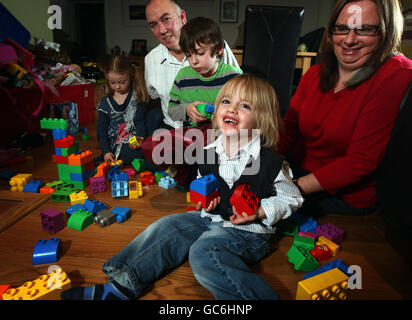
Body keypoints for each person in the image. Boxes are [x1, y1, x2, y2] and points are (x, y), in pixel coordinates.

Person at [61, 73, 303, 300]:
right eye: (226, 101)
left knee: (203, 251)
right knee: (168, 225)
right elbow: (205, 185)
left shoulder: (270, 162)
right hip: (210, 219)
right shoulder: (208, 152)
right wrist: (205, 200)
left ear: (262, 119)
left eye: (245, 106)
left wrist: (259, 211)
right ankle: (121, 284)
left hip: (249, 232)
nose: (232, 108)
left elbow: (292, 198)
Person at [277, 0, 412, 216]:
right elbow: (289, 130)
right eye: (341, 28)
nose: (349, 40)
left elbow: (360, 161)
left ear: (386, 31)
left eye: (365, 29)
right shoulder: (314, 74)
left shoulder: (398, 74)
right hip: (295, 174)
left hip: (341, 196)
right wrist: (263, 166)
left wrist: (289, 189)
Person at [144, 0, 240, 129]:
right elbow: (157, 99)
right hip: (177, 130)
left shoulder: (222, 53)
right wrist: (186, 110)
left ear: (182, 17)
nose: (161, 30)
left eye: (166, 19)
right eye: (153, 24)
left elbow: (241, 96)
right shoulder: (151, 60)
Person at [168, 16, 242, 126]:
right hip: (191, 136)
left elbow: (245, 112)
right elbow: (171, 111)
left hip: (223, 135)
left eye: (200, 53)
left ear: (219, 50)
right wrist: (187, 110)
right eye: (188, 55)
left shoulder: (234, 77)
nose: (193, 61)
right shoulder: (182, 77)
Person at [97, 56, 150, 164]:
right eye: (112, 82)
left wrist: (140, 137)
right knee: (134, 154)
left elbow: (140, 121)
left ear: (131, 77)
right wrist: (106, 151)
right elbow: (101, 129)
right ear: (107, 80)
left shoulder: (137, 95)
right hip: (118, 145)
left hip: (135, 138)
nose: (117, 86)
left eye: (122, 82)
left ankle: (146, 152)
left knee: (155, 115)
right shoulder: (105, 101)